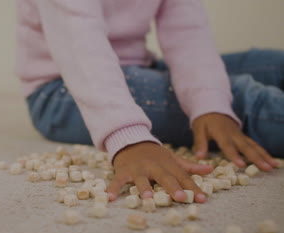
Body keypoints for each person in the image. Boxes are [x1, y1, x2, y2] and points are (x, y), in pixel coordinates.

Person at [15, 0, 283, 203]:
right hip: (61, 90)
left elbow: (187, 34)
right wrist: (128, 137)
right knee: (245, 99)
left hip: (139, 67)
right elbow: (78, 45)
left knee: (273, 66)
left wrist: (210, 101)